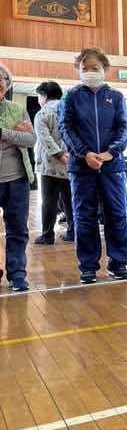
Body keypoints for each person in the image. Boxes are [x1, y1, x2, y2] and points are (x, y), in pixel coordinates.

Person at [58, 48, 127, 284]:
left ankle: (118, 263)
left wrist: (111, 152)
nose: (90, 72)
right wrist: (85, 153)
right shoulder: (71, 97)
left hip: (113, 167)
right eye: (84, 68)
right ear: (78, 70)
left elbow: (124, 128)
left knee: (117, 214)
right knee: (84, 216)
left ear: (105, 70)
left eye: (95, 68)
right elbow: (66, 128)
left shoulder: (117, 97)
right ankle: (88, 266)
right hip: (81, 168)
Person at [0, 64, 35, 291]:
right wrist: (16, 134)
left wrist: (3, 134)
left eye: (2, 78)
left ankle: (17, 275)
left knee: (18, 230)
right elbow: (21, 137)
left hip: (17, 180)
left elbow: (31, 140)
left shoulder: (17, 109)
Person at [33, 81, 74, 245]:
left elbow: (44, 139)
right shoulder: (70, 111)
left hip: (50, 165)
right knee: (70, 199)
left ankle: (47, 235)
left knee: (49, 201)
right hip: (71, 163)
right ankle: (73, 232)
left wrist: (58, 154)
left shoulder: (42, 114)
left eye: (39, 96)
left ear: (44, 96)